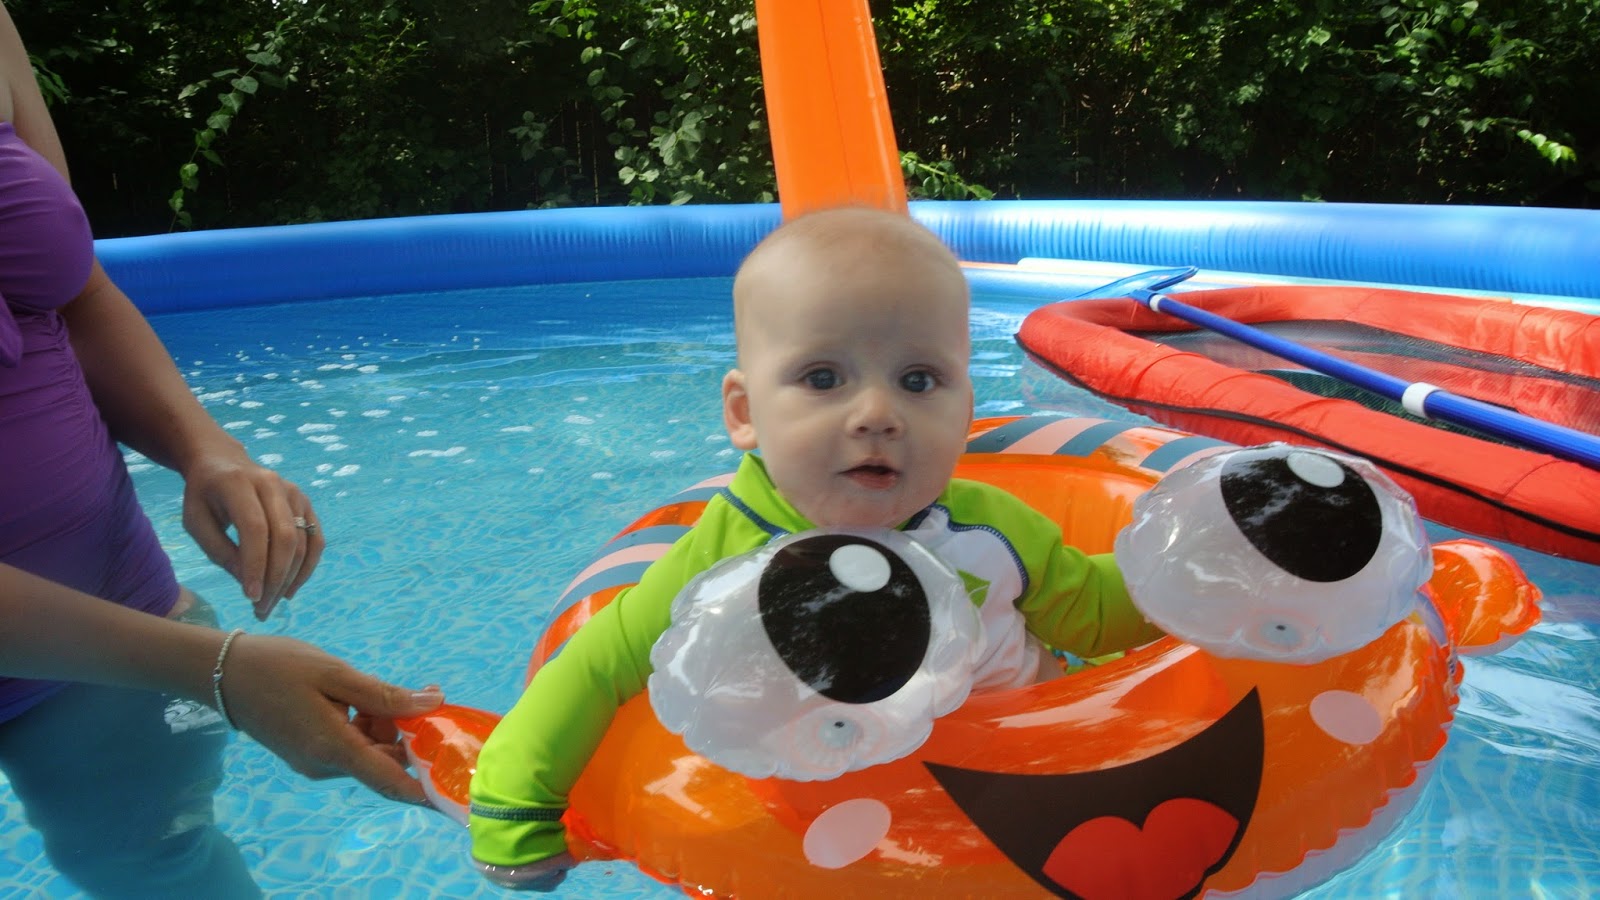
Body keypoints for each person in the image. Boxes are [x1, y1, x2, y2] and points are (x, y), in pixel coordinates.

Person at [466, 206, 1164, 887]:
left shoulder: (989, 528)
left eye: (919, 380)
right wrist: (511, 812)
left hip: (1031, 785)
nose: (878, 414)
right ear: (745, 413)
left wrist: (1199, 566)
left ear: (966, 411)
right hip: (847, 831)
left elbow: (1095, 614)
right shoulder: (724, 559)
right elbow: (595, 667)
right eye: (823, 378)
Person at [0, 6, 442, 897]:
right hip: (145, 645)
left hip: (115, 601)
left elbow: (68, 291)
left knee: (163, 861)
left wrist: (204, 448)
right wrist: (217, 669)